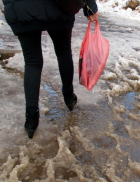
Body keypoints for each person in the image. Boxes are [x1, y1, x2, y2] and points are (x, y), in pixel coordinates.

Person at [2, 0, 99, 139]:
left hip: (22, 7)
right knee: (63, 52)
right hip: (58, 6)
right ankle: (69, 97)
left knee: (32, 62)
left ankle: (31, 119)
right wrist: (90, 6)